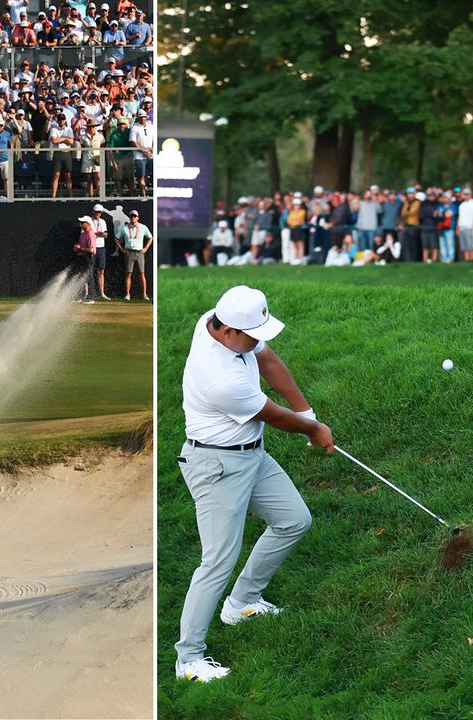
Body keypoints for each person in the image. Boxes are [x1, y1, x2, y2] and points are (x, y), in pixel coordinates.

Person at [174, 285, 334, 683]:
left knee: (294, 520)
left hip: (250, 455)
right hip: (216, 465)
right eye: (252, 335)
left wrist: (307, 410)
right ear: (228, 332)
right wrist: (314, 430)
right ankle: (188, 659)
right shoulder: (222, 378)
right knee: (217, 562)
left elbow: (269, 360)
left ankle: (241, 602)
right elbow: (274, 415)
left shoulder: (216, 321)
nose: (258, 342)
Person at [116, 208, 152, 301]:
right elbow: (116, 238)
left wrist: (146, 248)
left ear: (138, 218)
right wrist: (121, 248)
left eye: (134, 216)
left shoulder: (143, 227)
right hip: (129, 252)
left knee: (142, 273)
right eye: (131, 216)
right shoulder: (125, 228)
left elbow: (151, 237)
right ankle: (128, 294)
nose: (132, 218)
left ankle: (144, 294)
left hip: (140, 252)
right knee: (128, 274)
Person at [73, 215, 97, 304]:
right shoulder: (83, 234)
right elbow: (80, 246)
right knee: (81, 277)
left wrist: (80, 249)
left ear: (87, 224)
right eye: (80, 222)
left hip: (88, 258)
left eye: (82, 223)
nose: (80, 224)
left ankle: (91, 298)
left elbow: (92, 250)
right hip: (81, 258)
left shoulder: (91, 234)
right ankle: (80, 297)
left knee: (89, 277)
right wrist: (76, 248)